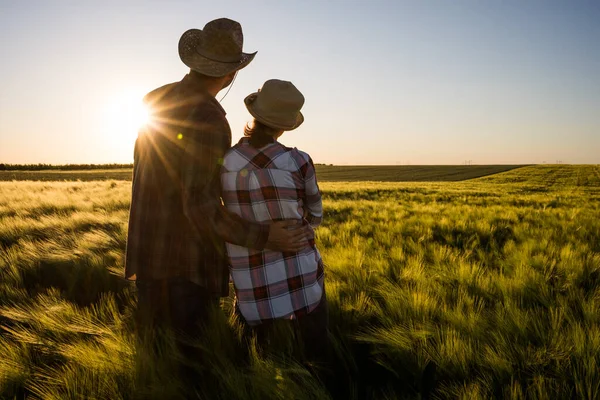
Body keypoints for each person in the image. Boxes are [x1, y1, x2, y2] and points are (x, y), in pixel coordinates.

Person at [125, 19, 307, 336]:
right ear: (231, 73)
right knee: (192, 372)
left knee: (157, 364)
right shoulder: (208, 118)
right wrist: (266, 236)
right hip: (186, 269)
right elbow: (198, 204)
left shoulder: (155, 103)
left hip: (147, 259)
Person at [220, 79, 328, 362]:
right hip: (303, 286)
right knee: (315, 358)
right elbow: (315, 214)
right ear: (284, 126)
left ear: (254, 115)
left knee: (256, 361)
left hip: (253, 294)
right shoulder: (298, 161)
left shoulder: (225, 162)